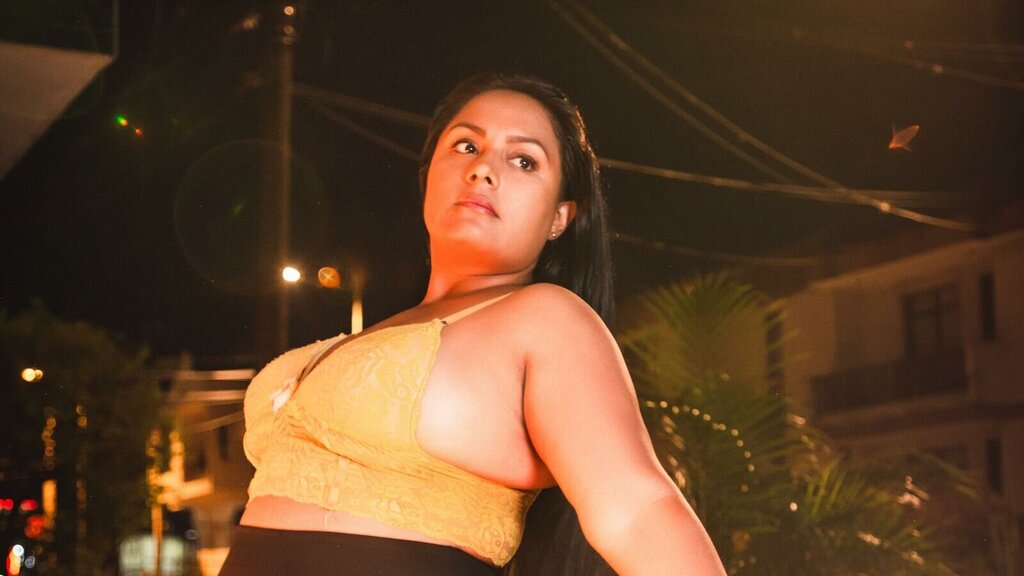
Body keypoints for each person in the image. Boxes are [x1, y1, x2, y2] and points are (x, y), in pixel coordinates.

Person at [219, 72, 726, 575]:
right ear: (428, 177)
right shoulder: (376, 332)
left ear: (559, 216)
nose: (483, 168)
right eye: (466, 146)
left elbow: (637, 513)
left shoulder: (547, 318)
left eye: (524, 160)